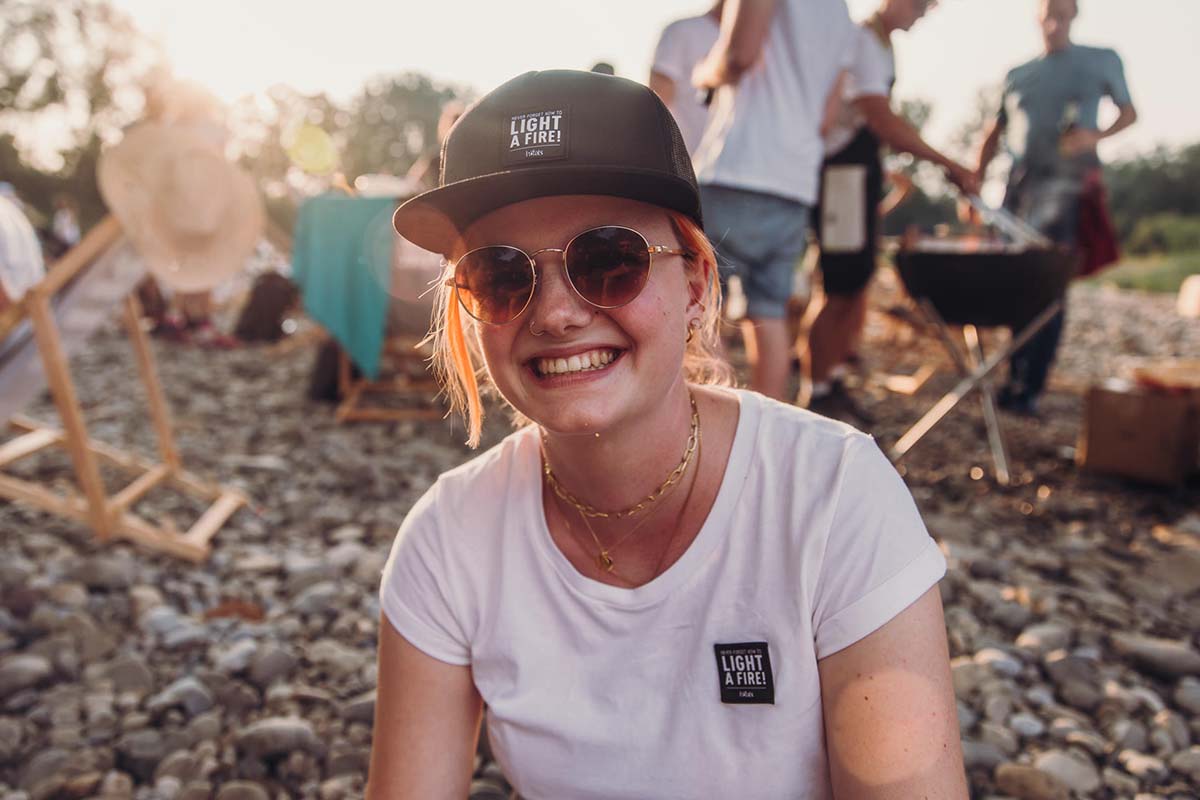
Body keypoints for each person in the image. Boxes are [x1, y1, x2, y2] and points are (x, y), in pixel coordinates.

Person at [369, 69, 966, 799]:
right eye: (502, 275)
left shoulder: (833, 497)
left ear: (695, 283)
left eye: (608, 260)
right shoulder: (448, 539)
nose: (555, 313)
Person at [800, 0, 979, 420]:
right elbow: (881, 120)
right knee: (839, 286)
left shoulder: (880, 45)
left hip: (859, 176)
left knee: (855, 285)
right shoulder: (862, 41)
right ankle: (816, 392)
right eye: (920, 4)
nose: (923, 12)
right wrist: (949, 163)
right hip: (841, 176)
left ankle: (833, 380)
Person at [690, 0, 857, 401]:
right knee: (769, 311)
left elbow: (737, 56)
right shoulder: (841, 13)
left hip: (737, 168)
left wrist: (703, 72)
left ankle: (707, 430)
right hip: (794, 181)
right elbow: (827, 118)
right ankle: (767, 431)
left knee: (701, 306)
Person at [975, 0, 1136, 415]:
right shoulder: (1019, 74)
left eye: (1062, 13)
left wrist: (1093, 136)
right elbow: (994, 133)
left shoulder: (1100, 60)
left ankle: (1031, 385)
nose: (1054, 22)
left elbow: (1129, 113)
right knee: (1015, 283)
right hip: (1020, 188)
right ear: (1037, 17)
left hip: (1067, 187)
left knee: (1048, 285)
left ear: (1074, 15)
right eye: (1047, 13)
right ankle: (1012, 377)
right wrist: (975, 181)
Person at [649, 2, 723, 156]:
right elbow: (655, 108)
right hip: (684, 167)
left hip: (728, 165)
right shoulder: (682, 31)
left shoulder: (765, 43)